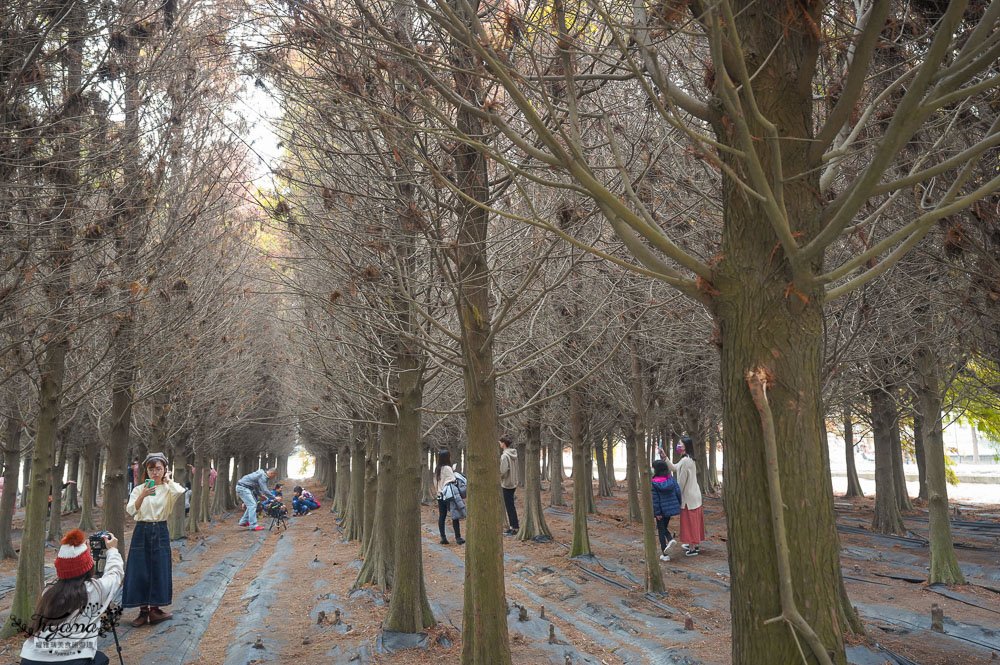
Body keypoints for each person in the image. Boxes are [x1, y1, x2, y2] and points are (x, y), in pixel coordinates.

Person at [19, 529, 122, 665]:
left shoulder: (49, 591)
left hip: (31, 659)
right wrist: (112, 550)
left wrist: (82, 554)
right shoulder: (94, 590)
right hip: (71, 661)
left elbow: (70, 570)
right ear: (88, 566)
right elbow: (115, 574)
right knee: (101, 660)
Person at [122, 451, 186, 627]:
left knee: (159, 568)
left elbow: (180, 491)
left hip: (160, 529)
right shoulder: (138, 489)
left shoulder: (167, 489)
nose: (155, 473)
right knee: (140, 569)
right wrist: (142, 495)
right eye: (151, 469)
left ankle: (155, 610)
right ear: (146, 471)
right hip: (142, 529)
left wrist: (168, 480)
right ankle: (142, 611)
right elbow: (131, 510)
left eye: (159, 469)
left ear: (165, 469)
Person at [666, 437, 704, 557]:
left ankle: (692, 548)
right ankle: (694, 543)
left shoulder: (686, 461)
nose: (678, 446)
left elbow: (681, 482)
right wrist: (665, 458)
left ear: (686, 446)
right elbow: (674, 468)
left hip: (688, 498)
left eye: (680, 444)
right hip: (695, 496)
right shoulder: (688, 459)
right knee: (695, 521)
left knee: (690, 522)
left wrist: (676, 495)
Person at [650, 459, 682, 561]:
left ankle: (665, 552)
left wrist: (657, 512)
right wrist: (678, 503)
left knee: (661, 529)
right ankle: (669, 542)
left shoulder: (654, 483)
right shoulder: (670, 479)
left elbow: (655, 499)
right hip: (669, 509)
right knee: (663, 527)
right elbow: (678, 491)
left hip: (661, 510)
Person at [433, 450, 464, 545]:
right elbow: (453, 480)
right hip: (448, 495)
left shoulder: (437, 469)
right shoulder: (447, 468)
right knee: (454, 515)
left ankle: (443, 537)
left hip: (439, 495)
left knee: (442, 516)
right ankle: (458, 537)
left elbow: (435, 482)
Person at [236, 467, 277, 531]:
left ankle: (243, 521)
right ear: (271, 473)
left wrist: (260, 495)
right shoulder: (263, 476)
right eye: (274, 475)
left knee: (252, 504)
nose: (274, 477)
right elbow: (265, 490)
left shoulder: (261, 475)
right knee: (252, 505)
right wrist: (274, 498)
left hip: (245, 488)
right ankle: (253, 525)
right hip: (243, 488)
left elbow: (255, 487)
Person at [499, 435, 519, 535]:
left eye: (500, 442)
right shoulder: (514, 454)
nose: (499, 444)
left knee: (509, 506)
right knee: (511, 505)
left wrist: (499, 477)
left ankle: (514, 528)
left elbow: (503, 471)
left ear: (503, 443)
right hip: (513, 482)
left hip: (507, 484)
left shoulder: (504, 456)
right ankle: (513, 526)